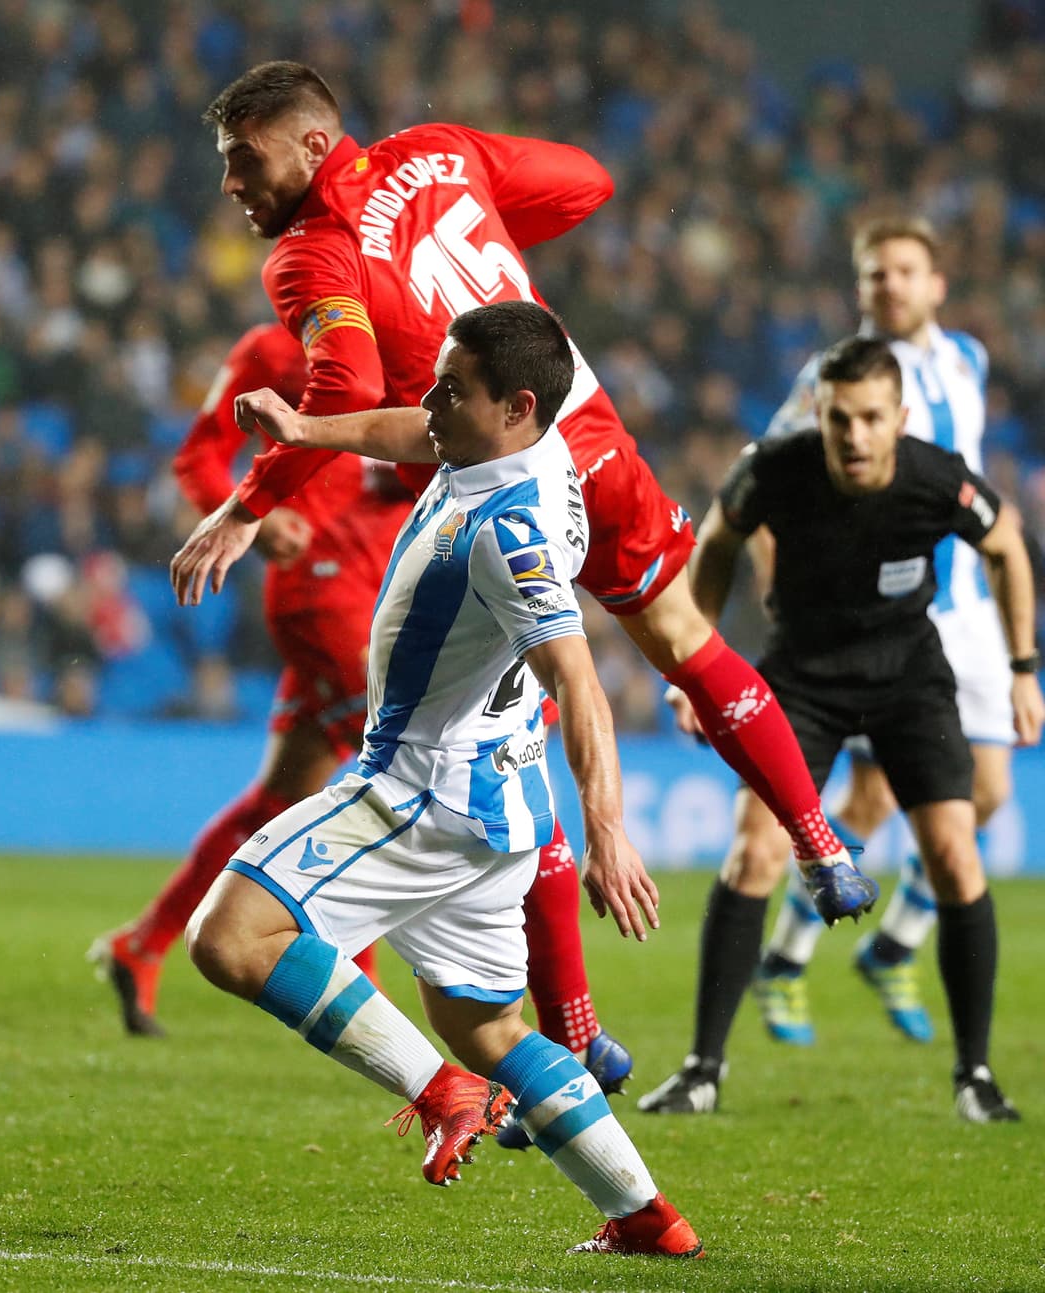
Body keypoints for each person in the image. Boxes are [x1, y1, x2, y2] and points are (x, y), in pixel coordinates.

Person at [170, 61, 873, 940]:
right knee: (689, 645)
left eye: (245, 158)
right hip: (587, 430)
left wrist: (245, 506)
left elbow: (345, 384)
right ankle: (821, 846)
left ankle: (565, 1029)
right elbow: (588, 183)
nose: (233, 182)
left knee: (499, 742)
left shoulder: (312, 252)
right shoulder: (439, 151)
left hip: (495, 499)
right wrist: (491, 224)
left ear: (314, 144)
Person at [185, 299, 704, 1258]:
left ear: (514, 406)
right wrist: (306, 432)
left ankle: (441, 1095)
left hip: (420, 789)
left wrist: (610, 829)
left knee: (231, 936)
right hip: (497, 805)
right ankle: (647, 1217)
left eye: (450, 389)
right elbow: (409, 429)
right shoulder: (526, 447)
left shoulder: (510, 533)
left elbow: (579, 680)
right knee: (491, 1024)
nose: (429, 401)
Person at [89, 324, 638, 1104]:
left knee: (287, 793)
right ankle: (554, 1034)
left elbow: (412, 436)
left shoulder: (409, 336)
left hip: (397, 585)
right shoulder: (271, 347)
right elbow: (198, 457)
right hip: (325, 586)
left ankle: (143, 943)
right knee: (435, 779)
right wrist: (251, 506)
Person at [638, 336, 1043, 1123]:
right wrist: (696, 664)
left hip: (907, 678)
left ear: (899, 417)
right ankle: (701, 1069)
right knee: (753, 848)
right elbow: (716, 539)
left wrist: (1024, 665)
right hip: (804, 679)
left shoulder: (936, 477)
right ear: (818, 415)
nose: (854, 437)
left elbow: (1004, 546)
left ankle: (976, 1076)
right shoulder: (777, 467)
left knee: (957, 856)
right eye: (838, 420)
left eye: (869, 419)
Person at [749, 216, 1025, 1048]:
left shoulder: (968, 359)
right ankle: (787, 960)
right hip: (884, 614)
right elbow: (768, 477)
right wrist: (781, 582)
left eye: (903, 271)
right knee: (873, 797)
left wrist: (1019, 658)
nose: (889, 286)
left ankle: (893, 942)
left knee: (989, 794)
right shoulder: (830, 378)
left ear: (935, 283)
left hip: (967, 609)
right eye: (874, 274)